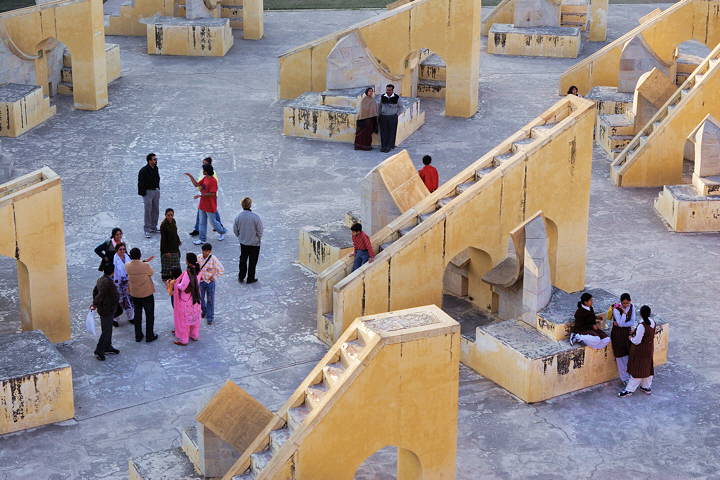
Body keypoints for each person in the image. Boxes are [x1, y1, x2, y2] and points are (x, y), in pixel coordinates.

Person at [618, 305, 656, 397]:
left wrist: (631, 337)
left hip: (640, 351)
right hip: (649, 349)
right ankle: (646, 387)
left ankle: (629, 390)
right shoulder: (652, 322)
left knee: (637, 371)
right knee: (647, 368)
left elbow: (637, 341)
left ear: (641, 314)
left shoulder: (642, 326)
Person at [184, 165, 226, 245]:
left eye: (203, 170)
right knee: (202, 222)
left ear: (206, 171)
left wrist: (201, 195)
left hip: (210, 205)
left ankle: (222, 231)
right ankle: (202, 239)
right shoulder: (205, 178)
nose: (202, 171)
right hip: (203, 204)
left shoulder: (213, 181)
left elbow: (212, 193)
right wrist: (190, 176)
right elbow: (196, 184)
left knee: (213, 222)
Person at [126, 247, 158, 343]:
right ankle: (149, 335)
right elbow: (151, 273)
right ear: (139, 255)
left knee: (138, 315)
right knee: (149, 315)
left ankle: (138, 336)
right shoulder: (145, 265)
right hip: (146, 293)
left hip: (135, 294)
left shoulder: (127, 265)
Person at [90, 263, 120, 361]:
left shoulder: (101, 279)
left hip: (105, 309)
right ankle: (99, 350)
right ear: (112, 271)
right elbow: (100, 295)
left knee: (108, 329)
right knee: (106, 331)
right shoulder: (108, 283)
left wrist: (96, 303)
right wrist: (95, 304)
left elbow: (95, 292)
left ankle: (107, 346)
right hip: (107, 310)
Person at [173, 253, 202, 346]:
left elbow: (182, 287)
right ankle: (194, 335)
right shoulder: (199, 270)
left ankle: (184, 340)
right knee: (195, 318)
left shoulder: (187, 273)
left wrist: (176, 283)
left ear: (188, 262)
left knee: (184, 321)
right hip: (196, 299)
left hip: (186, 300)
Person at [233, 197, 263, 284]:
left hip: (243, 243)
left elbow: (235, 230)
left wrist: (241, 237)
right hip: (254, 244)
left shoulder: (238, 217)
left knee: (243, 260)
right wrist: (257, 238)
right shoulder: (255, 217)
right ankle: (250, 278)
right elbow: (260, 231)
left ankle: (241, 277)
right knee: (252, 262)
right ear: (250, 205)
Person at [610, 293, 637, 384]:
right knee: (620, 356)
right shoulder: (616, 309)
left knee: (628, 354)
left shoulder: (632, 307)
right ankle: (624, 378)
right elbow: (620, 323)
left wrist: (623, 324)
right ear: (621, 302)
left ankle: (629, 375)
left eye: (627, 303)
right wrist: (624, 313)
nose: (625, 305)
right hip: (617, 335)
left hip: (627, 334)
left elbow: (632, 321)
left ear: (630, 301)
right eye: (623, 303)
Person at [197, 243, 224, 325]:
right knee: (200, 299)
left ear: (210, 251)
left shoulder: (213, 259)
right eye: (203, 251)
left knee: (210, 300)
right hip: (201, 282)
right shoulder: (198, 257)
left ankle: (210, 317)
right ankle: (204, 311)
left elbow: (221, 269)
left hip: (210, 283)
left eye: (206, 251)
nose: (204, 253)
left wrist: (214, 277)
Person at [138, 153, 160, 239]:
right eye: (154, 159)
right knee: (148, 211)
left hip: (156, 191)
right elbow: (140, 182)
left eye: (156, 159)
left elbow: (157, 179)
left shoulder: (156, 168)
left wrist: (158, 188)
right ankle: (147, 230)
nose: (156, 161)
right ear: (149, 160)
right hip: (147, 192)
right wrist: (143, 193)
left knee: (156, 209)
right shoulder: (143, 170)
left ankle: (153, 227)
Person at [112, 243, 134, 327]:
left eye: (123, 249)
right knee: (119, 302)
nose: (122, 251)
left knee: (129, 301)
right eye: (120, 249)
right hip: (118, 284)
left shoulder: (127, 257)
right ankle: (115, 318)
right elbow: (115, 273)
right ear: (116, 250)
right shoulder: (115, 260)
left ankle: (131, 317)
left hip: (128, 283)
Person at [378, 84, 400, 153]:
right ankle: (383, 146)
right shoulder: (383, 97)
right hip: (383, 117)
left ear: (392, 90)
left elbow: (401, 107)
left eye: (389, 90)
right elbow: (380, 106)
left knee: (391, 132)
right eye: (387, 90)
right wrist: (379, 114)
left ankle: (389, 146)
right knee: (383, 132)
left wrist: (397, 114)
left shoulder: (397, 97)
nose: (388, 91)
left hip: (392, 117)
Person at [160, 208, 181, 281]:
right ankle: (167, 276)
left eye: (171, 215)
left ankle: (176, 275)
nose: (170, 217)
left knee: (176, 260)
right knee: (167, 263)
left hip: (174, 246)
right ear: (165, 215)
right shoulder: (163, 225)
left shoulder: (173, 221)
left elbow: (175, 232)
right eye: (168, 215)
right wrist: (166, 251)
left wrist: (178, 240)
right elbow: (163, 239)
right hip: (167, 247)